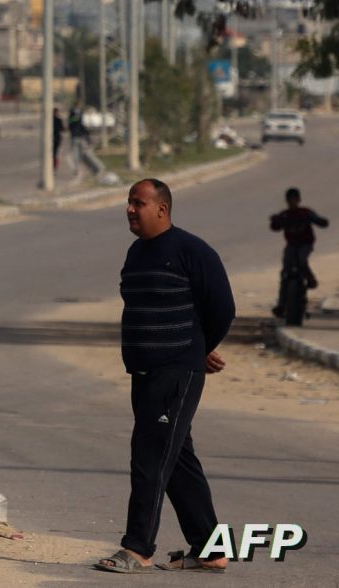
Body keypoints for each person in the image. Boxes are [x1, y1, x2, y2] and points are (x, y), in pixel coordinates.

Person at [96, 178, 234, 573]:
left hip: (176, 370)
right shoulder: (137, 253)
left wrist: (198, 347)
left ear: (162, 209)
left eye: (137, 203)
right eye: (128, 202)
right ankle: (211, 549)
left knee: (150, 455)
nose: (129, 209)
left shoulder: (192, 251)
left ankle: (138, 547)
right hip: (144, 371)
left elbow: (222, 307)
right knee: (177, 458)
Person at [271, 187, 329, 293]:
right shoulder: (285, 215)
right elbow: (275, 227)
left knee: (301, 259)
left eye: (294, 199)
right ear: (287, 201)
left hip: (305, 244)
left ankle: (310, 278)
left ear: (298, 200)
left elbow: (318, 220)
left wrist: (322, 222)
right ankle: (282, 301)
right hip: (291, 245)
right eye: (289, 199)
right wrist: (275, 221)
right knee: (286, 266)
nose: (292, 202)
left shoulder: (305, 212)